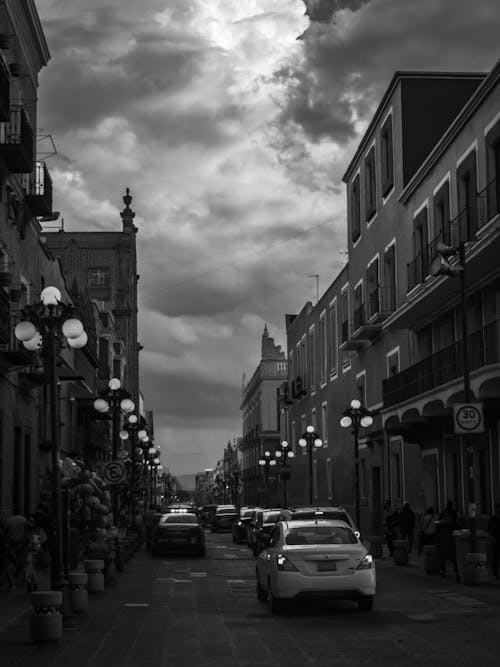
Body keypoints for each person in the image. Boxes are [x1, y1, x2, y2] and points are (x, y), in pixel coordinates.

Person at [3, 510, 29, 591]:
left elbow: (5, 532)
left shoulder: (8, 520)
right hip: (22, 544)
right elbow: (27, 531)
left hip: (11, 544)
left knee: (9, 564)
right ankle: (23, 580)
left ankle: (12, 583)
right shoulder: (24, 519)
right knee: (22, 562)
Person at [487, 502, 500, 579]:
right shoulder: (493, 519)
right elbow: (489, 530)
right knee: (495, 557)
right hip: (495, 539)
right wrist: (492, 538)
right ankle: (495, 572)